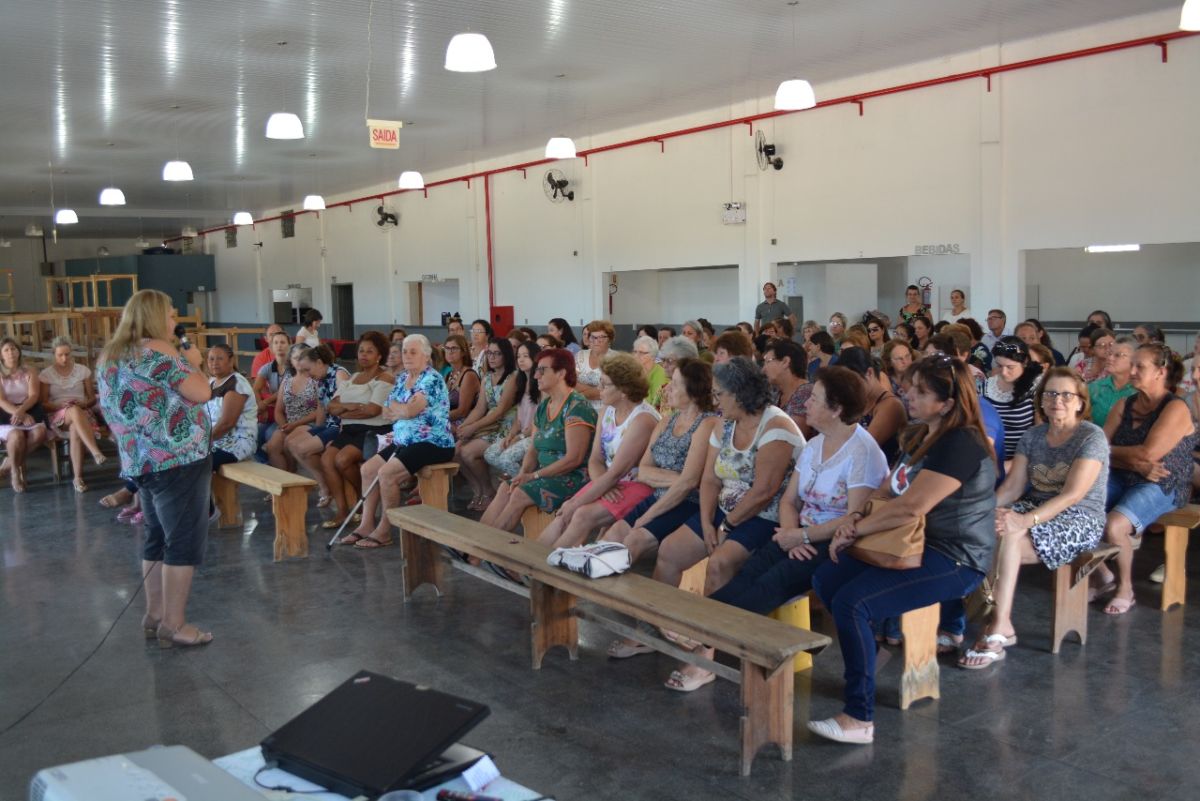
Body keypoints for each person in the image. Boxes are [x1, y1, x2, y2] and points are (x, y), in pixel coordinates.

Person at [807, 355, 995, 743]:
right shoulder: (921, 434)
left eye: (920, 391)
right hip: (914, 540)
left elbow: (912, 505)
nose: (907, 394)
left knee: (854, 603)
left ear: (947, 403)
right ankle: (870, 655)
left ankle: (859, 717)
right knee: (828, 576)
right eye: (909, 386)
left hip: (955, 555)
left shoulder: (961, 442)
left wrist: (853, 529)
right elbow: (888, 489)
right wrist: (853, 520)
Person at [650, 357, 803, 690]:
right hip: (724, 510)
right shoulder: (724, 424)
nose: (715, 401)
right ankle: (657, 626)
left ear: (741, 393)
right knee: (669, 551)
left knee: (719, 563)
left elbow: (765, 491)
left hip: (767, 516)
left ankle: (706, 657)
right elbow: (708, 480)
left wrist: (727, 526)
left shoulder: (777, 427)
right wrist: (706, 521)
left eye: (720, 395)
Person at [708, 367, 887, 619]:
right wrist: (792, 534)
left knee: (770, 584)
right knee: (749, 572)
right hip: (798, 532)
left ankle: (706, 628)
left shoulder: (863, 453)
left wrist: (801, 536)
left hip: (834, 542)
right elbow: (790, 500)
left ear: (836, 410)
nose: (806, 403)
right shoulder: (815, 444)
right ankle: (700, 621)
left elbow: (853, 517)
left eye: (814, 399)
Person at [960, 368, 1109, 668]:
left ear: (1081, 402)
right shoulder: (1033, 435)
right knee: (988, 524)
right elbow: (1014, 487)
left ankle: (1001, 624)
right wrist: (984, 508)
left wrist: (1023, 521)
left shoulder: (1091, 437)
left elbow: (1072, 495)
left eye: (1067, 395)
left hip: (1079, 518)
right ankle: (974, 620)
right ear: (1041, 401)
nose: (1058, 401)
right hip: (1036, 505)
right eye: (1051, 394)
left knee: (1009, 533)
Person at [97, 289, 214, 647]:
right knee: (182, 541)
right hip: (177, 460)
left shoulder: (110, 357)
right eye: (170, 315)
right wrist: (192, 361)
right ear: (154, 318)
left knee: (155, 537)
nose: (174, 322)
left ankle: (154, 613)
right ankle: (175, 624)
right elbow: (202, 393)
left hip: (140, 461)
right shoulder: (162, 354)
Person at [1091, 343, 1195, 614]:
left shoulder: (1175, 408)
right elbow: (1097, 449)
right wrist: (1134, 462)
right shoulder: (1124, 404)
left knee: (1115, 525)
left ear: (1161, 372)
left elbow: (1148, 453)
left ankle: (1125, 588)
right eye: (1133, 364)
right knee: (1079, 508)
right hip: (1124, 475)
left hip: (1163, 483)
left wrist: (1127, 458)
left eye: (1140, 366)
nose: (1133, 371)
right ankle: (1104, 576)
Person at [601, 359, 720, 575]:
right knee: (612, 535)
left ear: (693, 390)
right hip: (661, 495)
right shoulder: (667, 421)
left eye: (675, 384)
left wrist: (648, 516)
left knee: (634, 541)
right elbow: (644, 470)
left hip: (688, 502)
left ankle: (634, 604)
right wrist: (683, 478)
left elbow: (688, 486)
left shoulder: (707, 423)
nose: (668, 389)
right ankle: (602, 595)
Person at [340, 334, 455, 549]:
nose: (407, 356)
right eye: (404, 351)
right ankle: (366, 524)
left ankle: (384, 529)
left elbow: (411, 410)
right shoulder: (403, 378)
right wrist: (402, 410)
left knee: (387, 474)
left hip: (432, 442)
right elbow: (386, 409)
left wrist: (402, 410)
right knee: (368, 470)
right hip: (405, 439)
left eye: (413, 352)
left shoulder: (431, 379)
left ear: (426, 356)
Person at [537, 353, 660, 549]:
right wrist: (603, 485)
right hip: (608, 480)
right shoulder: (607, 410)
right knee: (564, 513)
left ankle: (545, 570)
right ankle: (530, 564)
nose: (598, 389)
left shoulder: (642, 420)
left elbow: (617, 472)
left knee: (580, 514)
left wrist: (593, 491)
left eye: (605, 384)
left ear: (624, 390)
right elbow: (595, 460)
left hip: (638, 484)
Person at [479, 348, 597, 531]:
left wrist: (534, 475)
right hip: (546, 474)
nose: (535, 375)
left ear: (561, 373)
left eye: (542, 370)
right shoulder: (544, 407)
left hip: (573, 477)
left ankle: (485, 553)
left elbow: (574, 459)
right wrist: (523, 473)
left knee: (518, 494)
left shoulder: (577, 407)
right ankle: (476, 545)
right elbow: (533, 449)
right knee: (506, 488)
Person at [318, 332, 393, 529]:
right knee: (326, 459)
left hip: (372, 431)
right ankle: (342, 510)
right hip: (349, 430)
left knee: (342, 460)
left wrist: (345, 409)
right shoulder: (353, 377)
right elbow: (331, 406)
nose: (364, 355)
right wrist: (353, 407)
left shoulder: (385, 378)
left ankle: (363, 499)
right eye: (361, 350)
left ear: (379, 355)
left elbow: (372, 411)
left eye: (370, 351)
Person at [456, 337, 519, 510]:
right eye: (489, 353)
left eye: (497, 353)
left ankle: (488, 491)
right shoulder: (486, 378)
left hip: (504, 425)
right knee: (456, 450)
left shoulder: (513, 377)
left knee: (468, 453)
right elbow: (479, 408)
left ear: (506, 355)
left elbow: (500, 410)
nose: (491, 357)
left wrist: (473, 427)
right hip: (488, 423)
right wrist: (464, 426)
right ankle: (478, 490)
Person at [286, 344, 350, 508]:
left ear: (320, 362)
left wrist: (340, 438)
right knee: (292, 444)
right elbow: (321, 407)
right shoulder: (319, 379)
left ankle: (325, 486)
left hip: (340, 426)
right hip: (329, 425)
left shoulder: (339, 374)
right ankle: (325, 483)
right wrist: (316, 432)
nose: (307, 375)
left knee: (303, 448)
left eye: (308, 369)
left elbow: (346, 406)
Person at [39, 336, 105, 492]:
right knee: (73, 410)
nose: (64, 358)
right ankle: (95, 451)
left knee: (76, 426)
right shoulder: (47, 374)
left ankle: (77, 478)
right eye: (60, 355)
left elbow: (91, 399)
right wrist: (59, 405)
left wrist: (84, 403)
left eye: (67, 354)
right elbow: (44, 404)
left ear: (71, 354)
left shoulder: (82, 371)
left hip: (82, 412)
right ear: (54, 355)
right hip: (58, 413)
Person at [834, 348, 907, 465]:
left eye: (852, 382)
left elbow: (862, 448)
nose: (848, 389)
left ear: (869, 373)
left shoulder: (891, 405)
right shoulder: (859, 402)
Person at [205, 342, 258, 494]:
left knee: (197, 463)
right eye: (211, 359)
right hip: (215, 441)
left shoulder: (236, 383)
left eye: (220, 358)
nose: (214, 363)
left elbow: (227, 423)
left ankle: (206, 509)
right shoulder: (211, 382)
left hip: (236, 443)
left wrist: (202, 442)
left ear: (231, 361)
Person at [485, 342, 542, 479]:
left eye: (526, 356)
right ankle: (517, 478)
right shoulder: (520, 381)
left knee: (505, 459)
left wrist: (519, 437)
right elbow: (519, 416)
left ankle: (523, 483)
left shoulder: (541, 384)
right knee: (490, 454)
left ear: (535, 358)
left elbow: (538, 421)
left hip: (534, 435)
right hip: (521, 432)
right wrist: (511, 435)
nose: (521, 360)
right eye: (519, 356)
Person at [0, 337, 48, 492]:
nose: (11, 353)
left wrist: (22, 411)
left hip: (28, 408)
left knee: (40, 433)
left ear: (19, 351)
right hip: (6, 411)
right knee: (16, 436)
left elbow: (33, 395)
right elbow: (1, 400)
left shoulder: (30, 370)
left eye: (13, 349)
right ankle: (15, 472)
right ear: (1, 354)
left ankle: (8, 465)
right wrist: (18, 412)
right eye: (6, 350)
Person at [984, 337, 1042, 461]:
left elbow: (1040, 434)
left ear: (1025, 362)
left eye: (1010, 367)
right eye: (999, 366)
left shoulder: (1035, 388)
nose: (1004, 372)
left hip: (1023, 460)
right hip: (989, 459)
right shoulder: (985, 387)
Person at [263, 344, 319, 472]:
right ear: (291, 361)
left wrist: (294, 425)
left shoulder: (315, 380)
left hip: (309, 423)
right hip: (289, 424)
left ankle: (294, 480)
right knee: (273, 446)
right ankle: (285, 484)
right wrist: (284, 425)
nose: (299, 361)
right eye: (295, 358)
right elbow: (278, 410)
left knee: (289, 443)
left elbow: (320, 410)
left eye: (302, 357)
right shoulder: (287, 381)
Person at [762, 338, 812, 439]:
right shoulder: (777, 391)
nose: (763, 369)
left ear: (785, 362)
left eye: (768, 361)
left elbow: (791, 436)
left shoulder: (806, 393)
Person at [253, 330, 292, 455]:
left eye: (282, 342)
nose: (279, 345)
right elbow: (255, 389)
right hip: (274, 411)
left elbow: (283, 391)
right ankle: (265, 463)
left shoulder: (294, 367)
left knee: (270, 434)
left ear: (289, 346)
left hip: (290, 413)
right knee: (254, 434)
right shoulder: (268, 367)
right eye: (275, 343)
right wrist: (261, 406)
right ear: (271, 347)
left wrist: (265, 403)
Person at [1088, 335, 1137, 426]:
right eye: (1109, 354)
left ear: (1134, 360)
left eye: (1118, 355)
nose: (1110, 358)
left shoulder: (1138, 391)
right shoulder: (1093, 388)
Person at [575, 319, 616, 410]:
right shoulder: (580, 355)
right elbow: (572, 383)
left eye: (602, 337)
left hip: (607, 409)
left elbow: (612, 391)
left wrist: (581, 394)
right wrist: (597, 390)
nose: (597, 341)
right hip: (581, 408)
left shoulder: (616, 359)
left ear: (609, 339)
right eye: (593, 337)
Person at [631, 336, 668, 407]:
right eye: (635, 352)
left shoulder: (661, 374)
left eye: (641, 353)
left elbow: (656, 403)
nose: (636, 356)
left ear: (652, 355)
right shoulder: (634, 372)